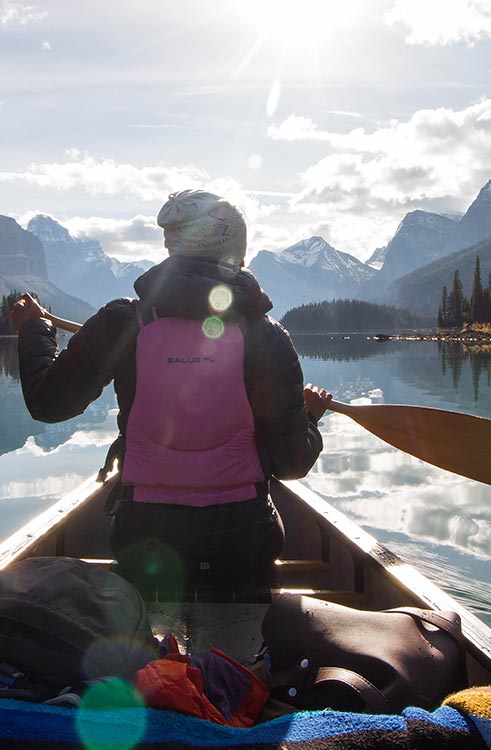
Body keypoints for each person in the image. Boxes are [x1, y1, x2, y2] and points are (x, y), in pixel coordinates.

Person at [12, 189, 332, 598]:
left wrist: (34, 329)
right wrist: (310, 419)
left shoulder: (122, 322)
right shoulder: (267, 338)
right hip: (244, 545)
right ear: (237, 249)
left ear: (171, 247)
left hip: (145, 538)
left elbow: (47, 403)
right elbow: (291, 463)